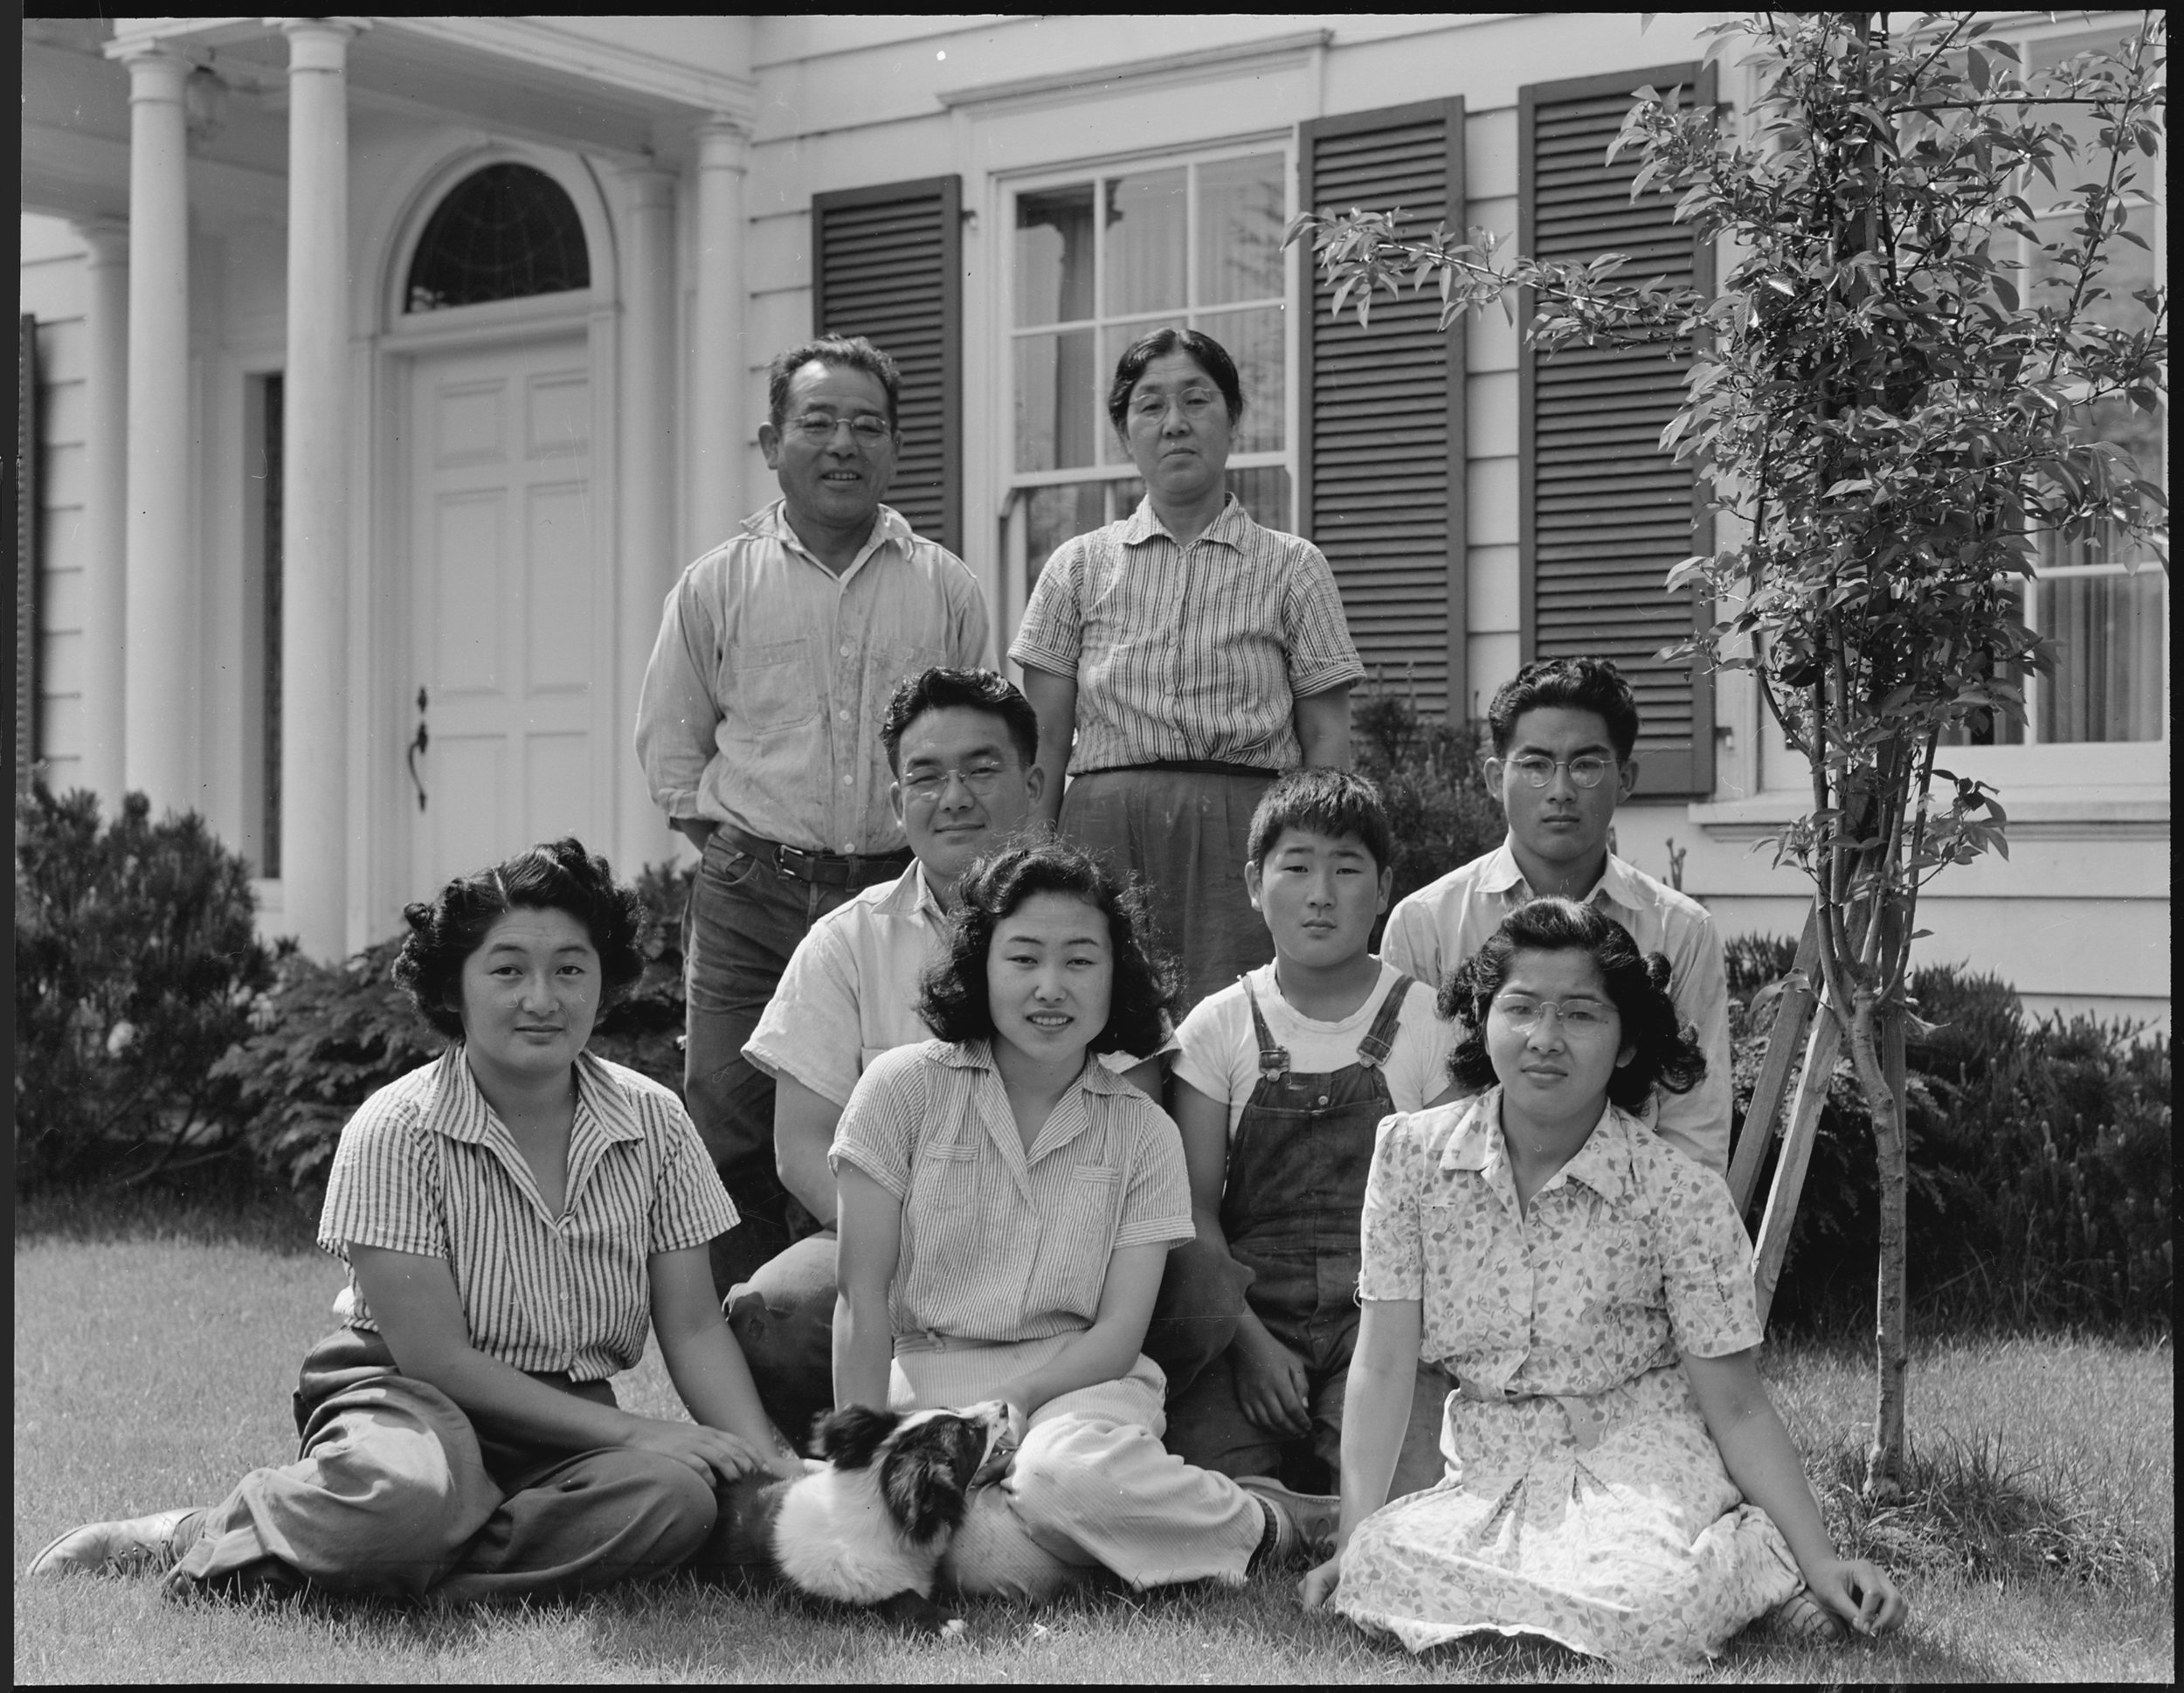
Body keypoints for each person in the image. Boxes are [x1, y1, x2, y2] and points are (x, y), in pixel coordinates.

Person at [28, 840, 800, 1601]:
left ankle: (400, 1566)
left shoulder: (655, 1121)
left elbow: (695, 1328)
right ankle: (202, 1531)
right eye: (507, 971)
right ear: (453, 990)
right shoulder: (396, 1128)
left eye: (571, 968)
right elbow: (438, 1358)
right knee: (408, 1498)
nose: (543, 997)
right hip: (405, 1398)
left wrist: (770, 1462)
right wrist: (639, 1431)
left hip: (565, 1416)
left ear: (603, 980)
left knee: (678, 1499)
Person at [1298, 898, 1908, 1661]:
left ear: (1625, 1045)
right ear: (1483, 1022)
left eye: (1582, 1016)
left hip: (1640, 1459)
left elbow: (1739, 1405)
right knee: (1380, 1570)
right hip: (1493, 1465)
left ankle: (1761, 1555)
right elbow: (1384, 1363)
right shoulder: (1412, 1158)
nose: (1544, 1039)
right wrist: (1355, 1538)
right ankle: (1637, 1596)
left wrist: (1822, 1557)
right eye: (1519, 1009)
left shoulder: (1678, 1192)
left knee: (1644, 1606)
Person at [729, 667, 1246, 1447]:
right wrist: (940, 1245)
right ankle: (878, 1443)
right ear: (897, 800)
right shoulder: (844, 944)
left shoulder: (1092, 922)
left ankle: (1121, 1429)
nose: (955, 797)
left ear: (1035, 782)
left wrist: (1026, 1256)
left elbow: (1129, 1103)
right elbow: (801, 1145)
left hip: (1078, 1241)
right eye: (926, 777)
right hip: (891, 1241)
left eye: (981, 769)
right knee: (779, 1309)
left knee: (1200, 1274)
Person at [829, 840, 1339, 1600]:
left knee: (1061, 1477)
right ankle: (1141, 1535)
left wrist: (1022, 1402)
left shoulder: (1144, 1132)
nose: (1050, 988)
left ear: (1114, 976)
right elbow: (860, 1300)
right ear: (980, 964)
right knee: (983, 1558)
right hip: (930, 1383)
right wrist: (861, 1465)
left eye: (1079, 961)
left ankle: (1271, 1521)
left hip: (1084, 1392)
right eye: (1024, 958)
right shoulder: (898, 1090)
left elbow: (1117, 1334)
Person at [637, 335, 990, 1297]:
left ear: (895, 448)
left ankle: (875, 1341)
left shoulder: (945, 588)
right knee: (731, 1128)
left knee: (881, 1121)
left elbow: (976, 745)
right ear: (770, 442)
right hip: (753, 894)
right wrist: (748, 855)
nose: (843, 444)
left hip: (896, 892)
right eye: (818, 423)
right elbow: (674, 751)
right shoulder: (718, 584)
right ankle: (743, 1370)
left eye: (866, 426)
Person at [1010, 326, 1365, 1008]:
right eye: (1150, 406)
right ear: (1124, 434)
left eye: (1196, 401)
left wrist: (1318, 861)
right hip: (1102, 833)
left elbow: (1327, 742)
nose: (1175, 424)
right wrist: (1031, 867)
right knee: (1104, 1023)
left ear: (1233, 419)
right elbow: (1046, 742)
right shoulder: (1076, 567)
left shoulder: (1293, 566)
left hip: (1245, 832)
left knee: (1235, 1025)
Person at [1163, 770, 1456, 1497]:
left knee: (1407, 1496)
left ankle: (1319, 1494)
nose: (1321, 893)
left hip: (1386, 1320)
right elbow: (1194, 1212)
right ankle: (1292, 1490)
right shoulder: (1219, 1027)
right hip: (1250, 1316)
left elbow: (1452, 1218)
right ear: (1255, 884)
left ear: (1384, 887)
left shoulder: (1430, 1025)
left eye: (1347, 869)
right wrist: (1251, 1345)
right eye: (1296, 867)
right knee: (1201, 1487)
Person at [1379, 657, 1733, 1173]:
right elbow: (1404, 1117)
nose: (1561, 790)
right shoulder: (1425, 925)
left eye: (1587, 765)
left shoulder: (1681, 931)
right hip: (1460, 1223)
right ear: (1496, 777)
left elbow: (1694, 1126)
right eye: (1536, 765)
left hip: (1636, 1223)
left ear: (1626, 778)